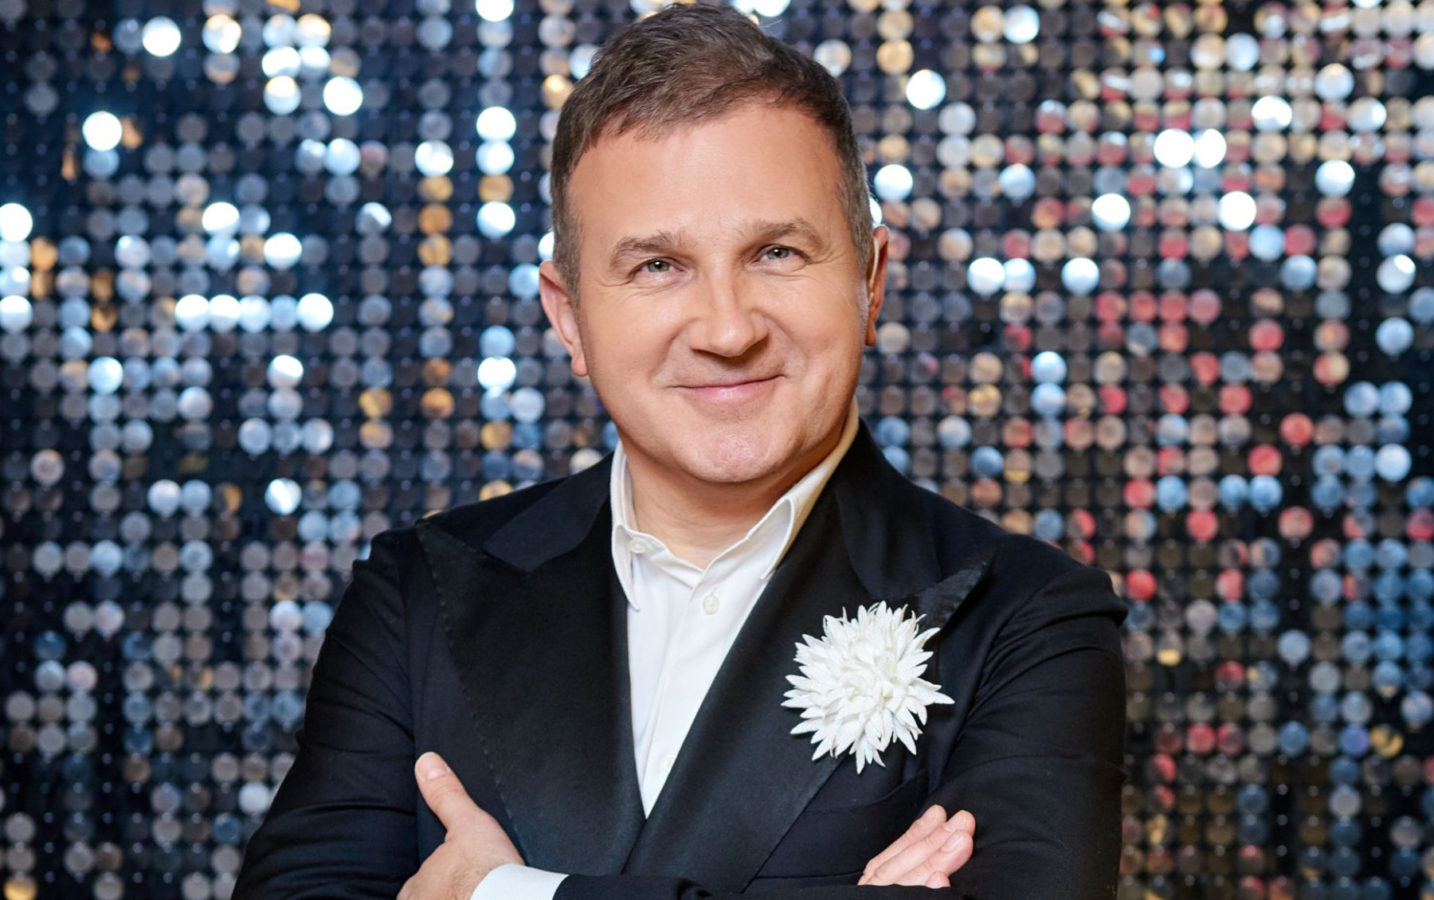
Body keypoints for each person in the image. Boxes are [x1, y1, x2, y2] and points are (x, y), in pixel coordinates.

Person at [233, 4, 1128, 898]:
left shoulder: (1028, 619)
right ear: (569, 318)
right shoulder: (416, 592)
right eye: (657, 266)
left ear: (870, 280)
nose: (728, 330)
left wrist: (509, 893)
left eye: (777, 252)